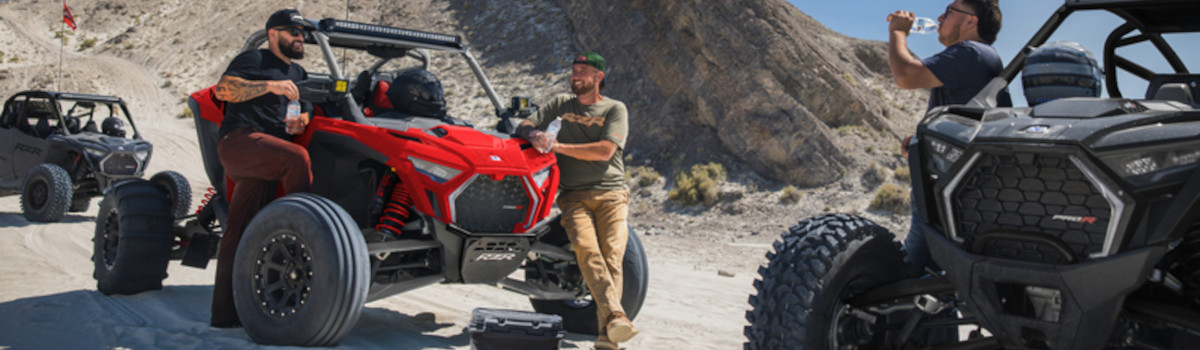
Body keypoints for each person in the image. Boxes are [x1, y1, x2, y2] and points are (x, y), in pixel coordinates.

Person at [516, 52, 637, 349]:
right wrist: (534, 134)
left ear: (599, 77)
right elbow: (523, 125)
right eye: (573, 70)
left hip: (612, 195)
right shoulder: (560, 104)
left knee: (612, 257)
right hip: (573, 197)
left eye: (583, 71)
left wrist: (557, 146)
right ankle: (615, 319)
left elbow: (605, 151)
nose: (576, 76)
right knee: (586, 250)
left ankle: (605, 337)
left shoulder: (614, 108)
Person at [887, 0, 1011, 276]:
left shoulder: (970, 52)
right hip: (957, 195)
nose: (940, 17)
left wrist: (898, 32)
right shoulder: (977, 58)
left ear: (971, 21)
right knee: (936, 281)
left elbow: (905, 75)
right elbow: (967, 119)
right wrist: (922, 138)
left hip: (947, 199)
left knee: (910, 279)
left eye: (950, 10)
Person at [209, 8, 315, 328]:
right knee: (297, 159)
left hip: (266, 156)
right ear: (273, 34)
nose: (299, 38)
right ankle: (307, 238)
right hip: (239, 142)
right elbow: (222, 91)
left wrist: (302, 120)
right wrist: (270, 86)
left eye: (302, 33)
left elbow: (306, 107)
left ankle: (225, 315)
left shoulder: (299, 73)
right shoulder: (254, 61)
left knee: (239, 231)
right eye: (293, 32)